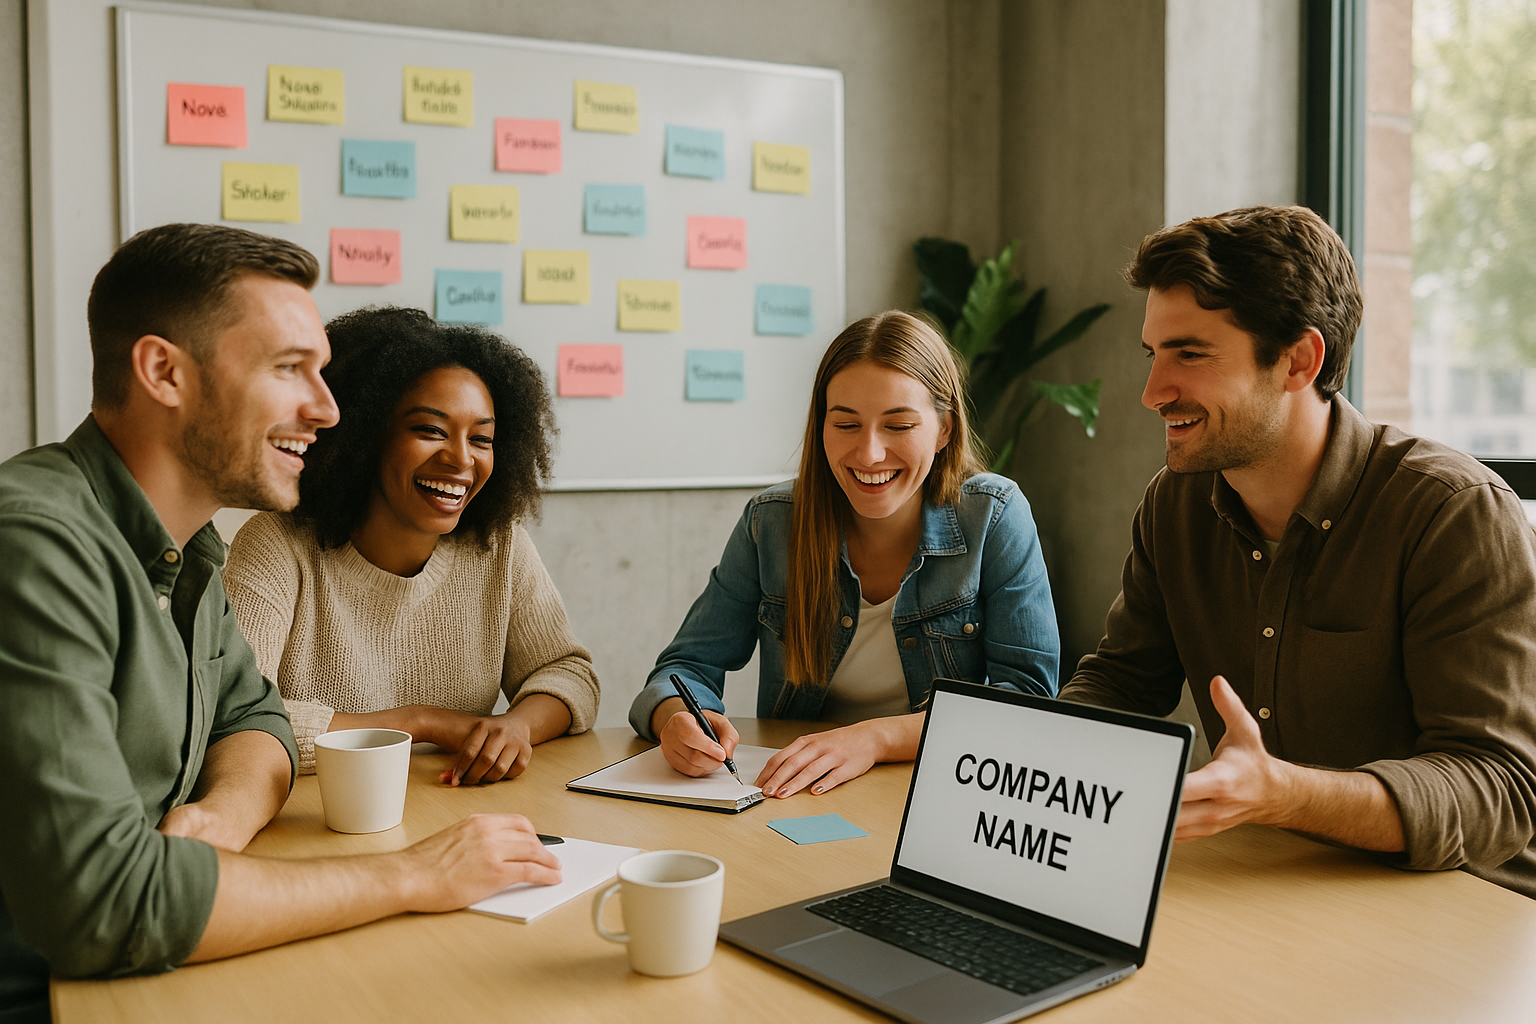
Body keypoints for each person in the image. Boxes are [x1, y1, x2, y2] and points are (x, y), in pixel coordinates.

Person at [0, 224, 561, 1024]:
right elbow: (106, 905)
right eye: (289, 369)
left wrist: (224, 814)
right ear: (164, 372)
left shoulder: (185, 547)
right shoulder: (36, 546)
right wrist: (410, 875)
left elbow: (254, 715)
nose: (328, 409)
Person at [1059, 205, 1536, 897]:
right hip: (1273, 879)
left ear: (1299, 360)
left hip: (1460, 909)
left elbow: (1500, 789)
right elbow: (1124, 685)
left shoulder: (1454, 514)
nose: (1152, 392)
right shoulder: (1175, 503)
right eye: (1152, 354)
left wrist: (1282, 794)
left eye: (1189, 354)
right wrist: (1018, 761)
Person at [628, 310, 1060, 798]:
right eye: (846, 424)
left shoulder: (994, 516)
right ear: (822, 427)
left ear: (943, 430)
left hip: (937, 794)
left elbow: (1027, 703)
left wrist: (875, 738)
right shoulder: (771, 522)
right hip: (795, 795)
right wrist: (678, 719)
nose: (870, 453)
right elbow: (683, 668)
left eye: (898, 425)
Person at [224, 307, 599, 787]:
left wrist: (516, 725)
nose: (460, 459)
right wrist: (420, 722)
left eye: (481, 438)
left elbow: (569, 674)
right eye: (430, 431)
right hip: (315, 822)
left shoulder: (499, 546)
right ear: (364, 436)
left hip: (455, 811)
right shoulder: (277, 545)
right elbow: (236, 714)